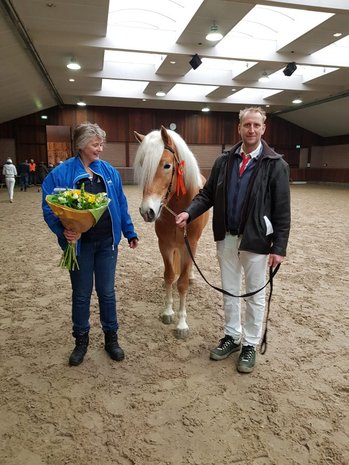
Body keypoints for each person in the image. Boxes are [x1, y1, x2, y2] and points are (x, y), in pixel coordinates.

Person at [176, 107, 291, 374]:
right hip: (226, 238)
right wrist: (188, 212)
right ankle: (231, 336)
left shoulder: (276, 165)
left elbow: (282, 210)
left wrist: (279, 247)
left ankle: (250, 343)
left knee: (255, 295)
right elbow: (206, 196)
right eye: (246, 125)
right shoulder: (224, 160)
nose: (251, 130)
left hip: (257, 241)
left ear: (264, 128)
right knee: (229, 291)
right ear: (239, 128)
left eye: (256, 125)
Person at [42, 122, 139, 367]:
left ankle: (111, 339)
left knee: (107, 293)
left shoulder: (109, 172)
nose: (100, 149)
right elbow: (49, 207)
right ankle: (81, 341)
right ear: (82, 145)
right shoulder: (61, 173)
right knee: (82, 294)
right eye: (96, 144)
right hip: (79, 247)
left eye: (101, 144)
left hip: (108, 244)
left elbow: (121, 203)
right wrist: (64, 231)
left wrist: (129, 231)